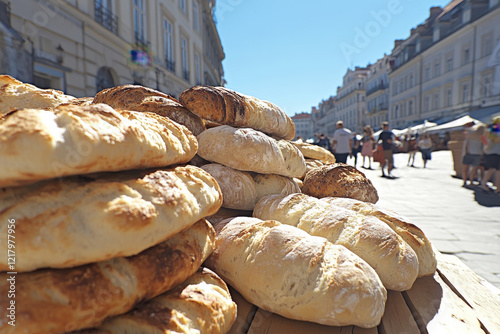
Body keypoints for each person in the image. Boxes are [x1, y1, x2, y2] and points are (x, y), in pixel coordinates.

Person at [480, 117, 500, 194]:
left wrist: (486, 145)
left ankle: (484, 184)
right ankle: (498, 188)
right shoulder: (496, 129)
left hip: (488, 152)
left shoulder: (489, 129)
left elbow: (483, 137)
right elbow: (497, 140)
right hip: (496, 152)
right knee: (497, 171)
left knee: (490, 169)